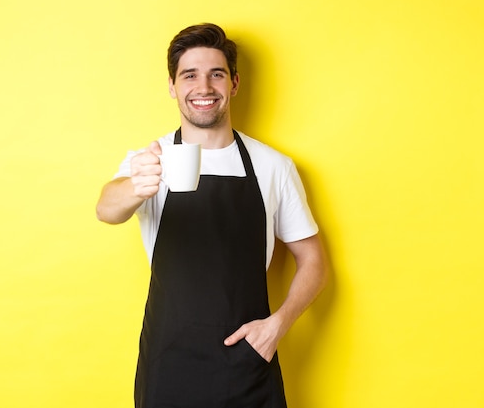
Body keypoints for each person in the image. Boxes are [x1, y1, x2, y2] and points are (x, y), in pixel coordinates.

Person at [96, 23, 327, 408]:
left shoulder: (273, 166)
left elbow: (314, 260)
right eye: (189, 75)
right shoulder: (149, 161)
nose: (203, 87)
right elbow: (106, 209)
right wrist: (137, 183)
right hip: (167, 363)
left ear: (234, 83)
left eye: (216, 74)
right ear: (172, 86)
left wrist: (278, 326)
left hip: (248, 362)